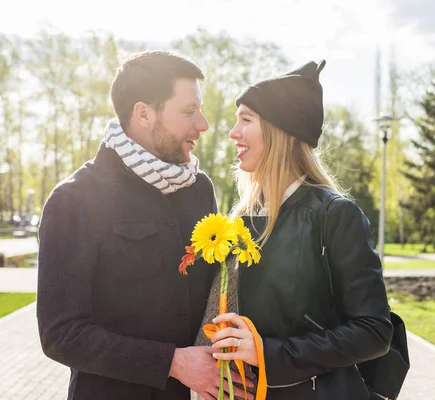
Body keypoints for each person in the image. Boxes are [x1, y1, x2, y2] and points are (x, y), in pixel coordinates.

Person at [37, 51, 246, 400]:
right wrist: (172, 363)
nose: (204, 124)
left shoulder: (199, 189)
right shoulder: (74, 200)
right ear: (144, 113)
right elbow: (62, 335)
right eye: (189, 111)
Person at [207, 61, 394, 399]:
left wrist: (267, 352)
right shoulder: (239, 218)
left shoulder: (336, 214)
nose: (233, 133)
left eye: (246, 120)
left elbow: (374, 331)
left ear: (283, 132)